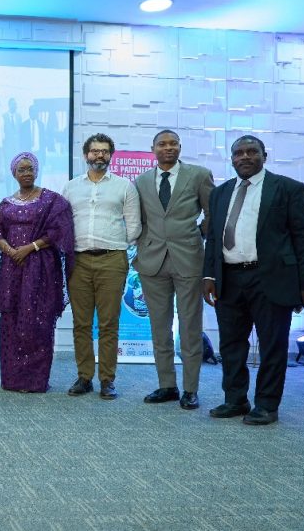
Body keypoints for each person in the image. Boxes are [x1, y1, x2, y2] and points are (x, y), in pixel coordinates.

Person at [203, 135, 304, 425]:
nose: (245, 157)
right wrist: (209, 275)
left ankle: (266, 404)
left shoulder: (287, 188)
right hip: (229, 277)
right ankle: (235, 399)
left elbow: (303, 237)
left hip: (272, 278)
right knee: (231, 344)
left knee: (272, 345)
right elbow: (213, 238)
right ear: (231, 159)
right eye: (238, 153)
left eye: (252, 151)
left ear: (264, 155)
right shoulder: (220, 193)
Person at [134, 130, 214, 410]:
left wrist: (197, 235)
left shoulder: (199, 175)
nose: (168, 148)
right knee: (159, 327)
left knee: (190, 327)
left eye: (173, 144)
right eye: (162, 144)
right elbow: (140, 219)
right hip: (152, 261)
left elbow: (212, 212)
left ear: (180, 146)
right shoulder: (142, 181)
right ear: (153, 148)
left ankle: (190, 389)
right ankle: (167, 385)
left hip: (189, 258)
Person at [62, 133, 141, 399]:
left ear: (111, 155)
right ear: (86, 155)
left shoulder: (124, 187)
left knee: (108, 323)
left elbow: (134, 226)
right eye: (95, 151)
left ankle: (107, 379)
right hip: (79, 260)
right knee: (81, 323)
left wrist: (113, 244)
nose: (99, 155)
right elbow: (63, 225)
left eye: (105, 151)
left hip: (112, 260)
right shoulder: (71, 187)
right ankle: (84, 377)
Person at [0, 152, 75, 392]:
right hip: (11, 267)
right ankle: (12, 379)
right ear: (14, 174)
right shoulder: (6, 203)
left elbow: (58, 231)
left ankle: (35, 381)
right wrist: (10, 250)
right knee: (11, 319)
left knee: (38, 321)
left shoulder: (52, 200)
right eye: (22, 170)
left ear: (36, 170)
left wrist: (29, 248)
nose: (26, 173)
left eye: (30, 168)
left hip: (40, 268)